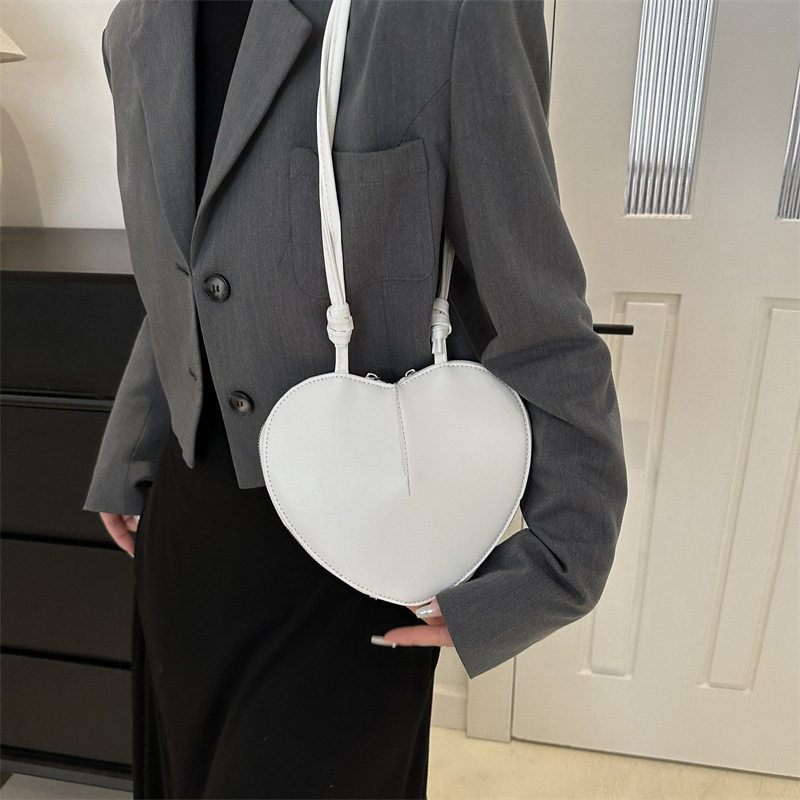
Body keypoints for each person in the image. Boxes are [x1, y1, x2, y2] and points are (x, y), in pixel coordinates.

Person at [85, 1, 627, 798]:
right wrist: (132, 446)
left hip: (365, 545)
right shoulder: (136, 25)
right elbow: (188, 274)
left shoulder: (446, 13)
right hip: (191, 530)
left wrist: (560, 564)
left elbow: (533, 303)